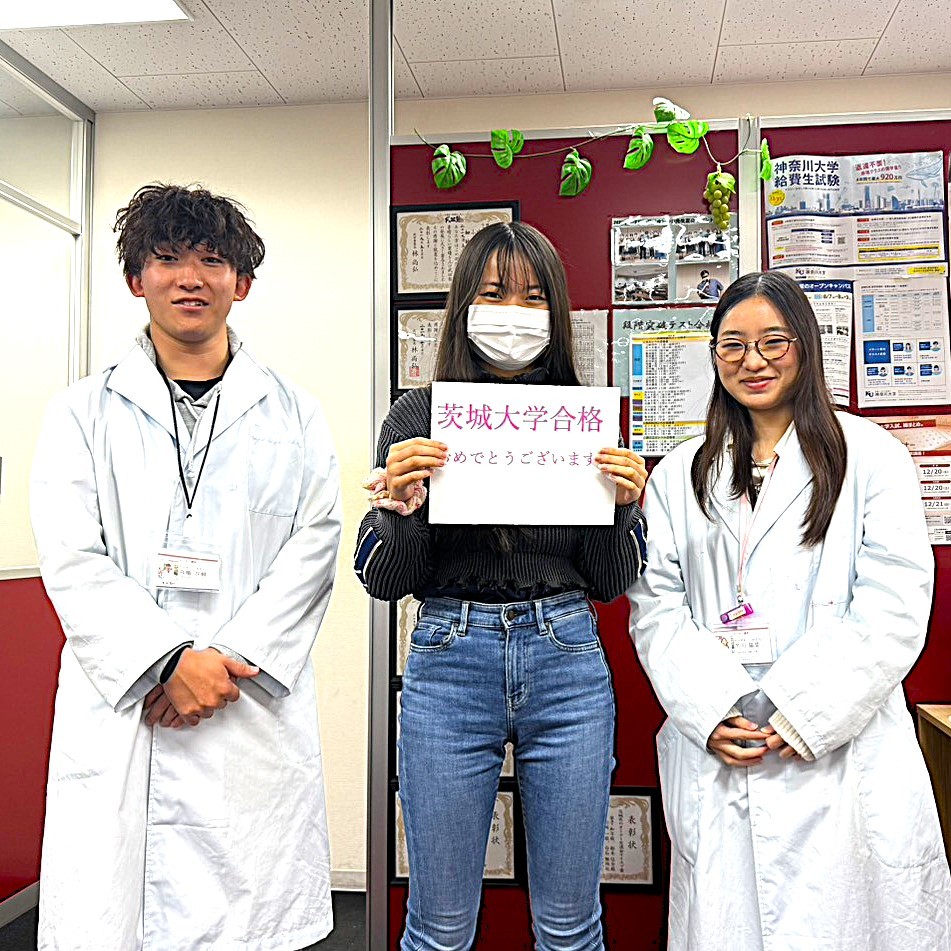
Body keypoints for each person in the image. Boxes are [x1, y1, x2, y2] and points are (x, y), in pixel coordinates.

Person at [30, 183, 342, 950]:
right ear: (135, 278)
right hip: (127, 708)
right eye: (167, 258)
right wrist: (167, 660)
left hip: (244, 705)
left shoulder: (295, 415)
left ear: (243, 282)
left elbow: (314, 549)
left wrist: (219, 661)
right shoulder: (81, 413)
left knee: (247, 921)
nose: (190, 278)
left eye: (211, 260)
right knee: (115, 918)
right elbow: (71, 555)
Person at [629, 270, 951, 951]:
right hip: (725, 743)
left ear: (804, 344)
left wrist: (802, 711)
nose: (753, 360)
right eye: (733, 344)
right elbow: (656, 607)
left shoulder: (872, 458)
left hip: (841, 747)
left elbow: (894, 606)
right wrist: (711, 708)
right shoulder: (679, 474)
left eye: (773, 341)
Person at [354, 221, 648, 951]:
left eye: (533, 297)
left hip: (565, 656)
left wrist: (623, 508)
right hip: (449, 656)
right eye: (493, 294)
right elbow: (386, 581)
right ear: (462, 306)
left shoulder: (583, 420)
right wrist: (398, 510)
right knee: (439, 927)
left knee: (570, 927)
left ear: (557, 313)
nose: (513, 314)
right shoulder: (418, 418)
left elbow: (610, 581)